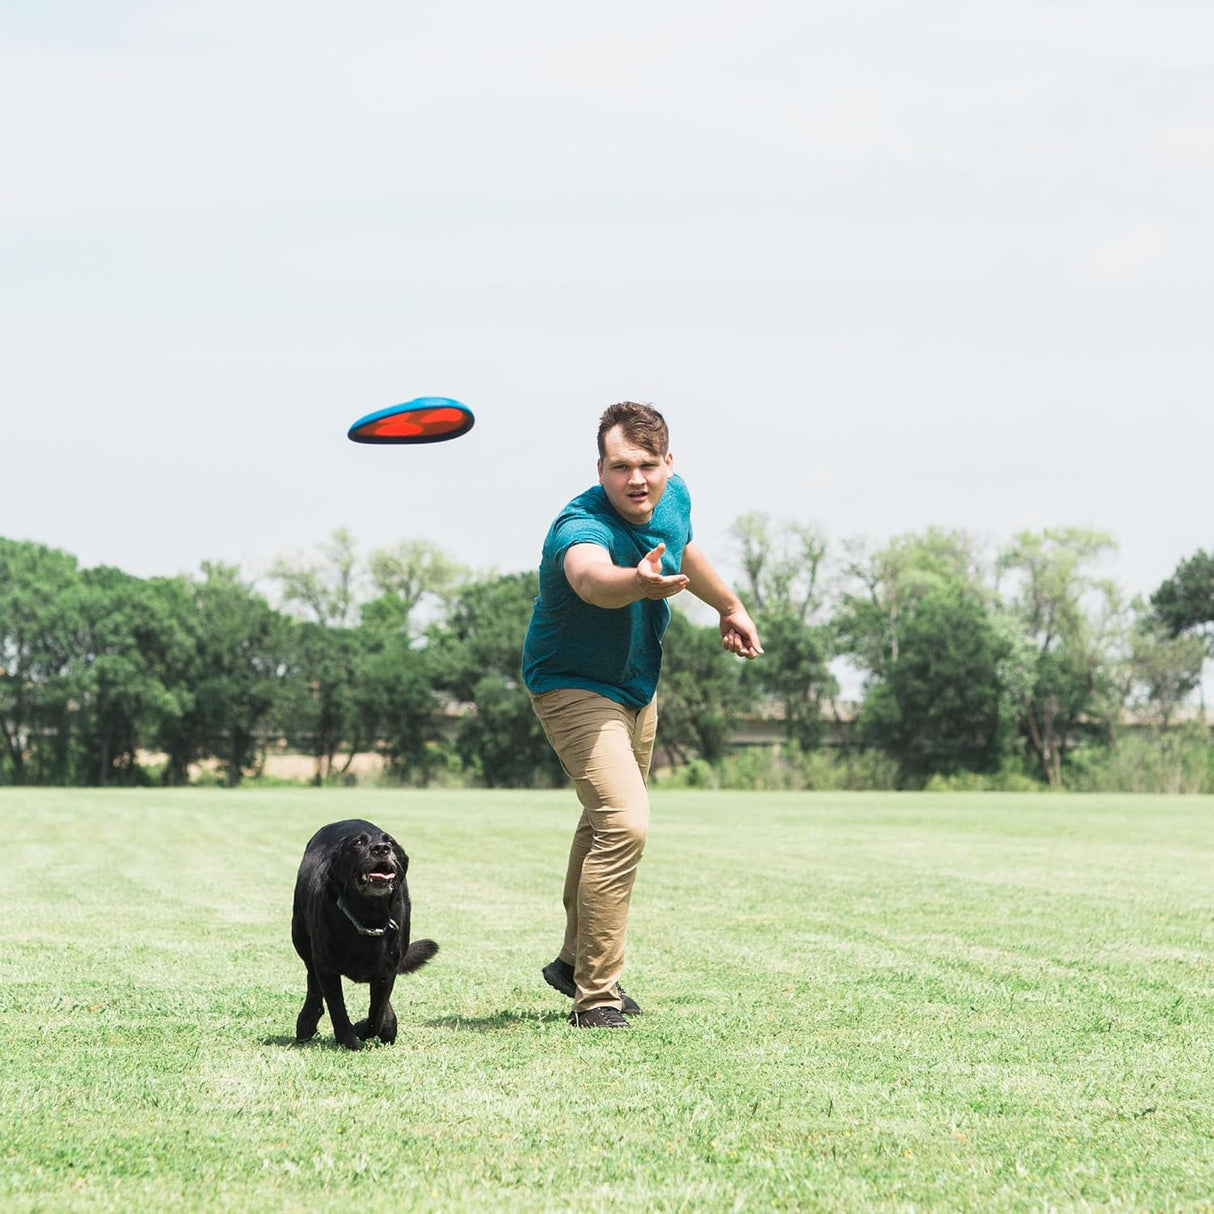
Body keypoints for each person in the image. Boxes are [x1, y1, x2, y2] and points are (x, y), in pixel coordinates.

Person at [522, 402, 763, 1028]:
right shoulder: (581, 524)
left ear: (668, 464)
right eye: (621, 466)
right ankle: (597, 996)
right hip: (569, 683)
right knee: (624, 822)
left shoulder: (674, 496)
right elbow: (589, 579)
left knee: (604, 818)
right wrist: (635, 581)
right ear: (599, 466)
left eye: (648, 466)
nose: (636, 480)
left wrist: (728, 605)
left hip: (634, 687)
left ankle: (574, 958)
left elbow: (686, 547)